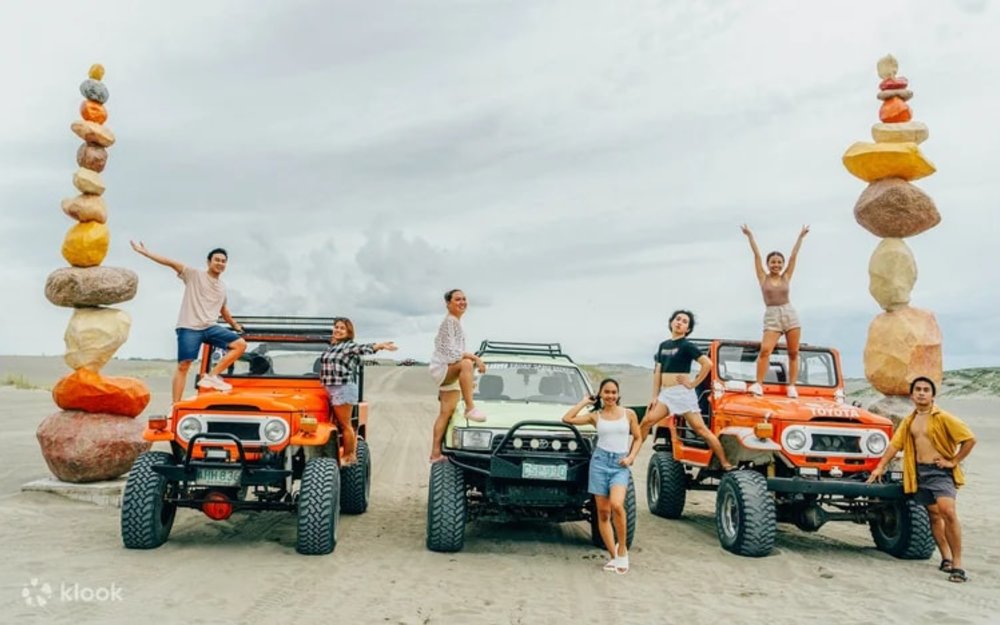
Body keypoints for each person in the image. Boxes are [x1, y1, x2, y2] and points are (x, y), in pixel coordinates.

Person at [867, 377, 977, 583]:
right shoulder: (910, 420)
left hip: (940, 472)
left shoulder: (944, 417)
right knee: (934, 516)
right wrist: (880, 466)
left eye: (926, 390)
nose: (921, 393)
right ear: (912, 395)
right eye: (918, 389)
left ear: (933, 395)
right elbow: (895, 445)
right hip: (919, 473)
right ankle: (946, 557)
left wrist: (953, 461)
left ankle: (958, 565)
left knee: (948, 512)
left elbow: (969, 439)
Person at [130, 241, 246, 402]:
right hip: (189, 327)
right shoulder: (194, 274)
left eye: (223, 261)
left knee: (240, 345)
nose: (220, 263)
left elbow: (223, 310)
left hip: (210, 327)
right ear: (209, 262)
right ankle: (175, 405)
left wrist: (235, 325)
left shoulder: (222, 287)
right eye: (217, 260)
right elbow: (171, 263)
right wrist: (146, 253)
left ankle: (211, 376)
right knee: (184, 365)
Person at [562, 378, 641, 574]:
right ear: (601, 394)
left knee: (617, 505)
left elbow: (638, 437)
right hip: (599, 463)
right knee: (603, 512)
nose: (610, 396)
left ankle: (622, 549)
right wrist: (584, 402)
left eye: (614, 392)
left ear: (618, 394)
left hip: (619, 464)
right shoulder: (596, 416)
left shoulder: (629, 414)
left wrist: (631, 457)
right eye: (607, 392)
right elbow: (567, 419)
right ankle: (613, 557)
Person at [639, 310, 734, 471]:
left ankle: (725, 463)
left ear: (687, 329)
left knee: (701, 430)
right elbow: (657, 372)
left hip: (682, 393)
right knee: (646, 421)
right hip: (666, 394)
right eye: (678, 319)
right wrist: (654, 396)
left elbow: (708, 364)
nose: (679, 322)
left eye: (684, 322)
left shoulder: (687, 345)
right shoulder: (663, 345)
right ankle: (631, 454)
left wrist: (693, 384)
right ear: (671, 322)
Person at [740, 224, 809, 397]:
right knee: (765, 350)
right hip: (772, 315)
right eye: (773, 262)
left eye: (779, 262)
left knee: (793, 352)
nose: (776, 265)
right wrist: (750, 236)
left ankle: (792, 386)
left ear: (782, 264)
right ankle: (758, 384)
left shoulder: (786, 276)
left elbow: (793, 256)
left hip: (789, 313)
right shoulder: (763, 277)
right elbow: (756, 255)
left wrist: (800, 237)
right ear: (768, 264)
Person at [318, 317, 397, 465]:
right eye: (336, 327)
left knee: (345, 424)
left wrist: (379, 346)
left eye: (342, 328)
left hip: (342, 388)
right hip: (330, 388)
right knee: (335, 423)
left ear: (349, 332)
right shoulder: (333, 346)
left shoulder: (348, 346)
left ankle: (349, 456)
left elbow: (362, 348)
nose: (338, 330)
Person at [428, 289, 486, 462]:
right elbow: (451, 354)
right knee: (466, 364)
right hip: (443, 367)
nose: (462, 302)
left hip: (449, 368)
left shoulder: (456, 322)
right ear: (448, 303)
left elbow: (455, 352)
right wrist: (475, 358)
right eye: (458, 299)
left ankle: (435, 454)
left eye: (464, 299)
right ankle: (470, 408)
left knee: (446, 413)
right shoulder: (450, 322)